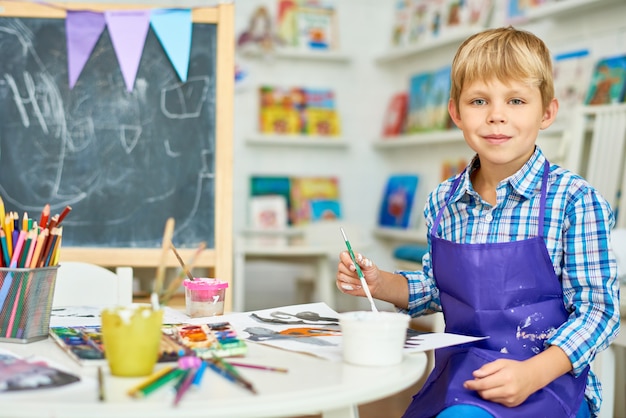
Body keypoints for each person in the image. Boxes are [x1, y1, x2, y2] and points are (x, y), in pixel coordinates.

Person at [336, 27, 620, 418]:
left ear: (547, 112)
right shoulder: (442, 201)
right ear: (455, 112)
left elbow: (599, 312)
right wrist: (380, 283)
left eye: (516, 100)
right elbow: (439, 291)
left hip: (550, 385)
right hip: (463, 380)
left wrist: (533, 373)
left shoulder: (574, 201)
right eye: (479, 100)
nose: (496, 115)